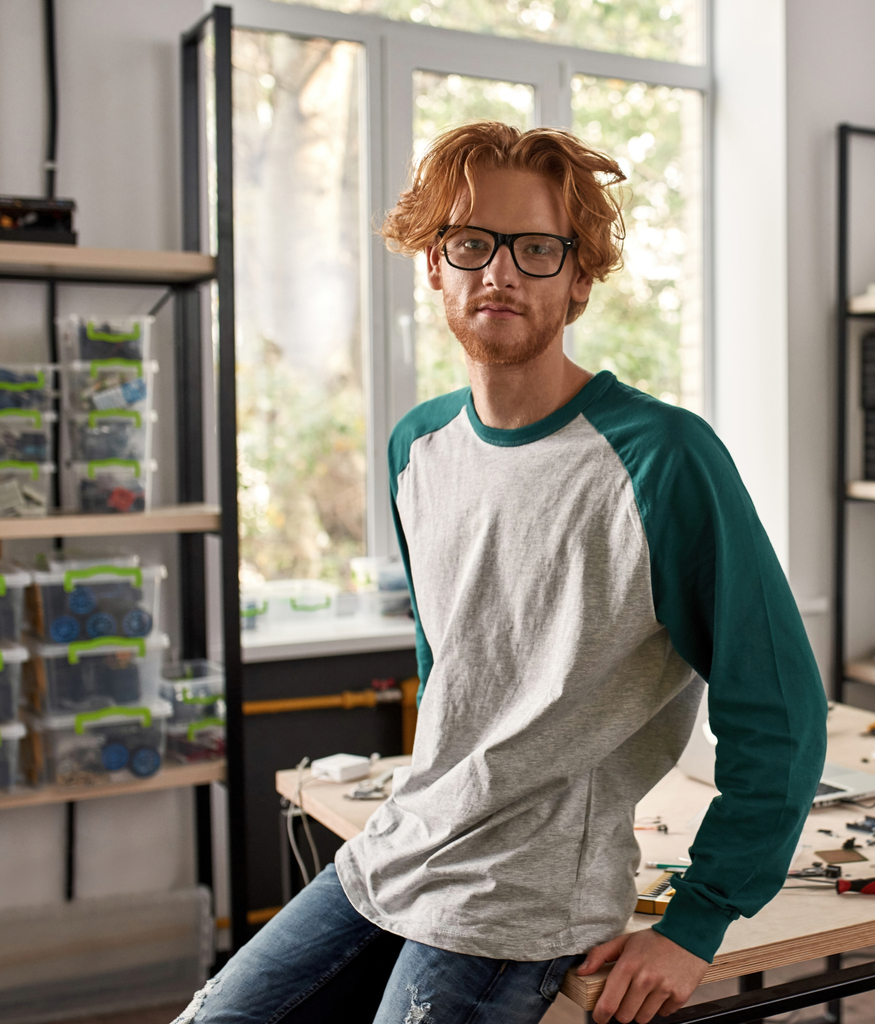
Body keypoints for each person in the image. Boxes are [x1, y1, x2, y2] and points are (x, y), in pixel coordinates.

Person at [174, 121, 827, 1024]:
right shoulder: (418, 448)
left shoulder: (663, 458)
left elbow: (781, 711)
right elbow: (449, 668)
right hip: (401, 847)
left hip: (525, 899)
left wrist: (696, 921)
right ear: (435, 266)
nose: (501, 272)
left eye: (536, 248)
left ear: (581, 277)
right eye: (471, 243)